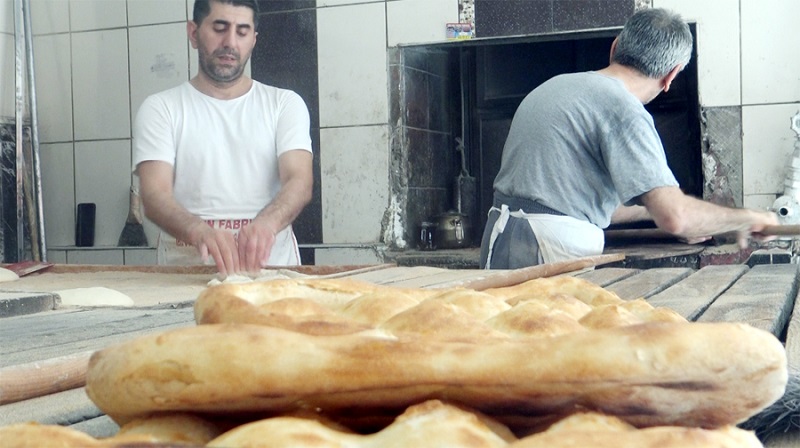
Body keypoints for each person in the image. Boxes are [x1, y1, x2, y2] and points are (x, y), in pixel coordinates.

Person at [480, 8, 778, 269]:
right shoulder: (623, 110)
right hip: (549, 250)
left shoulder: (554, 87)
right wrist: (747, 217)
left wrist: (656, 208)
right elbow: (677, 217)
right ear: (671, 76)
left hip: (499, 239)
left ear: (615, 48)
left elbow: (574, 203)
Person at [133, 0, 313, 276]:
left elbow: (299, 181)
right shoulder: (161, 109)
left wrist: (266, 224)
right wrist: (198, 230)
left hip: (273, 275)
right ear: (193, 33)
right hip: (186, 277)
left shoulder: (284, 104)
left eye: (242, 32)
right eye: (219, 28)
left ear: (253, 40)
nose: (230, 42)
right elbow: (154, 195)